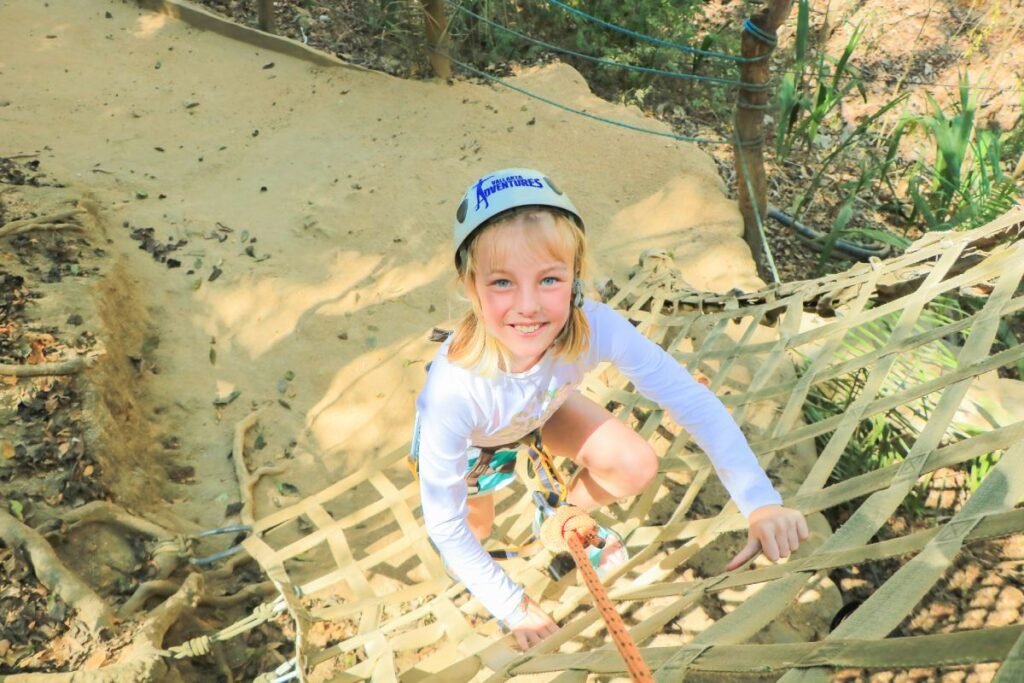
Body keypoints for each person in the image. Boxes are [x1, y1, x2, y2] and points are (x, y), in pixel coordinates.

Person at [410, 168, 809, 651]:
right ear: (471, 288)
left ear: (576, 277)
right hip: (481, 438)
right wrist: (514, 605)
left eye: (550, 279)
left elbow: (690, 400)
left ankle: (559, 515)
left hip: (541, 408)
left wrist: (759, 500)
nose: (529, 305)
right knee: (474, 528)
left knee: (634, 464)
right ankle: (496, 562)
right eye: (502, 283)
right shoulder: (455, 391)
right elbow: (444, 521)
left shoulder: (596, 326)